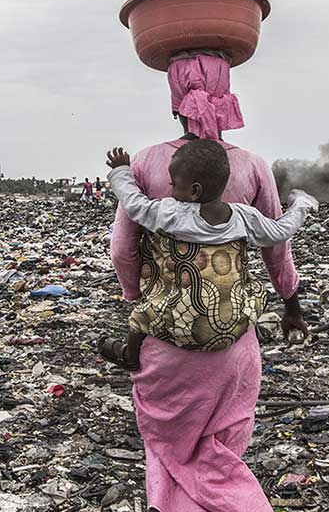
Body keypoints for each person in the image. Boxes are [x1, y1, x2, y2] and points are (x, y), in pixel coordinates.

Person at [109, 51, 307, 512]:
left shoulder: (148, 164)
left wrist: (144, 310)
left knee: (164, 451)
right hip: (232, 352)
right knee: (220, 459)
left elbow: (124, 250)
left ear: (174, 98)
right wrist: (292, 301)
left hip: (167, 351)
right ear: (227, 94)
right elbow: (279, 243)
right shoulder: (250, 171)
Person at [99, 139, 317, 368]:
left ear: (194, 191)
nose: (171, 190)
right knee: (253, 295)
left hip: (176, 320)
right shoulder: (243, 216)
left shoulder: (171, 213)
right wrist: (300, 205)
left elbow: (134, 205)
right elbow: (280, 231)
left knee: (141, 319)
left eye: (174, 184)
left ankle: (130, 356)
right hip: (231, 320)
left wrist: (121, 170)